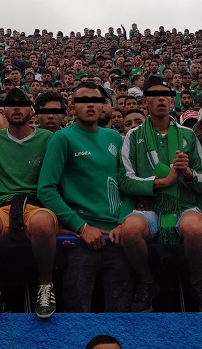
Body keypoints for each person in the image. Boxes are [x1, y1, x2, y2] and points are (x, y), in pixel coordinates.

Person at [118, 76, 202, 313]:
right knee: (129, 230)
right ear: (145, 102)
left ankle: (197, 281)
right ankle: (147, 281)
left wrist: (188, 174)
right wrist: (161, 183)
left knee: (195, 229)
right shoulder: (133, 136)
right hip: (150, 209)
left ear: (172, 101)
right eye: (154, 95)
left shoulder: (188, 136)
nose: (161, 99)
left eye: (165, 95)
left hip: (184, 206)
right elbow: (125, 180)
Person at [38, 82, 132, 312]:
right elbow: (46, 189)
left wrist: (123, 222)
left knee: (120, 314)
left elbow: (128, 185)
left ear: (103, 106)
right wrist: (81, 227)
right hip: (81, 242)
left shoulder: (115, 137)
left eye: (95, 100)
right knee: (77, 314)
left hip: (117, 238)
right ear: (72, 107)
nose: (90, 105)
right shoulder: (63, 138)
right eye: (83, 100)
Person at [0, 88, 58, 319]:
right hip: (3, 206)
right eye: (11, 104)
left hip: (37, 205)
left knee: (42, 224)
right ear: (4, 111)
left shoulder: (48, 138)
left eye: (22, 104)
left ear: (31, 110)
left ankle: (45, 283)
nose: (17, 108)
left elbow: (56, 182)